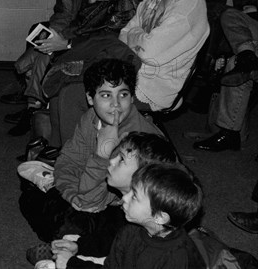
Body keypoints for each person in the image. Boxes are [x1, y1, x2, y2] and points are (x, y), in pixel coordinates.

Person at [44, 0, 210, 150]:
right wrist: (139, 37)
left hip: (153, 84)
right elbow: (124, 33)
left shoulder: (189, 2)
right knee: (62, 83)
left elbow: (149, 51)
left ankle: (79, 166)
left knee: (73, 93)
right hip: (133, 68)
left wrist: (137, 36)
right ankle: (61, 157)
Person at [18, 59, 162, 245]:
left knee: (70, 224)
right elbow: (68, 160)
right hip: (90, 193)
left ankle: (75, 246)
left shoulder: (138, 141)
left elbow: (91, 203)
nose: (116, 104)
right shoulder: (91, 118)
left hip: (134, 214)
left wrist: (102, 153)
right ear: (89, 98)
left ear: (132, 97)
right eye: (105, 95)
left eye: (123, 94)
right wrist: (71, 194)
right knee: (30, 195)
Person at [3, 0, 112, 135]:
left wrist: (59, 38)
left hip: (87, 38)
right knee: (33, 50)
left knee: (41, 59)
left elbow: (90, 20)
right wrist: (51, 32)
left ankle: (34, 110)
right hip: (66, 28)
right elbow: (62, 11)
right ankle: (35, 109)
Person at [24, 132, 178, 266]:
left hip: (93, 223)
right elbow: (110, 238)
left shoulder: (148, 232)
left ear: (142, 175)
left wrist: (72, 263)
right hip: (96, 216)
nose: (111, 161)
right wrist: (78, 246)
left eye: (122, 159)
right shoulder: (130, 215)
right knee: (31, 200)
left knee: (61, 221)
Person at [49, 163, 205, 269]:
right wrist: (80, 247)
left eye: (134, 196)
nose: (124, 197)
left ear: (160, 217)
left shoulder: (175, 258)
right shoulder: (130, 230)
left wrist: (72, 264)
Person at [192, 0, 258, 152]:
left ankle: (228, 133)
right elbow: (240, 3)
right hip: (252, 34)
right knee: (228, 15)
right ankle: (247, 54)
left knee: (233, 63)